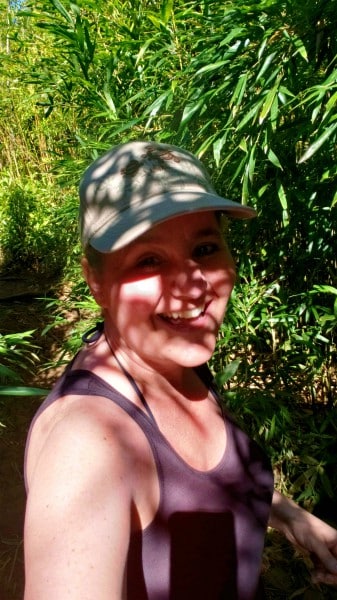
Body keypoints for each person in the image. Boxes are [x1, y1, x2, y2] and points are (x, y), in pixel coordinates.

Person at [24, 141, 337, 599]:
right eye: (149, 259)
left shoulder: (171, 364)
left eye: (205, 247)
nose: (193, 285)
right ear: (96, 282)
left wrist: (291, 517)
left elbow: (195, 483)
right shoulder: (88, 446)